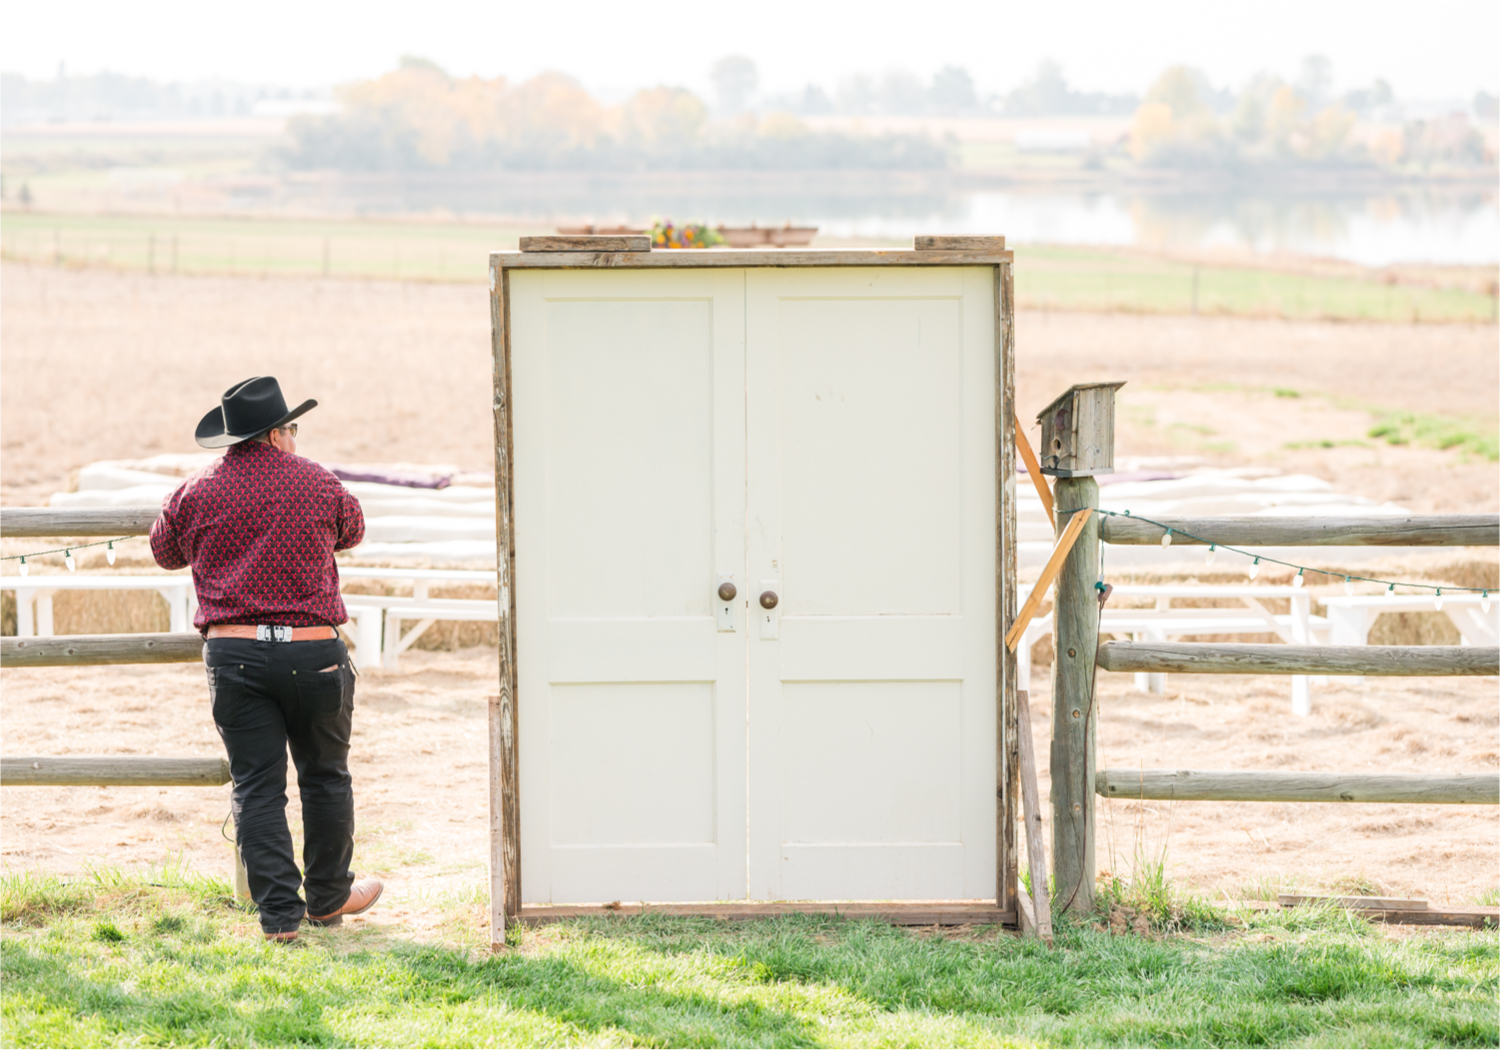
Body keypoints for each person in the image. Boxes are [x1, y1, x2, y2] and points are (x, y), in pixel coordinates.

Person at [151, 376, 381, 942]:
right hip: (313, 653)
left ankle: (279, 918)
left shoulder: (195, 490)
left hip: (234, 655)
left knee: (257, 786)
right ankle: (328, 898)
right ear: (277, 433)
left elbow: (163, 551)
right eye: (294, 428)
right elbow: (352, 532)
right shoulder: (318, 483)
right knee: (325, 777)